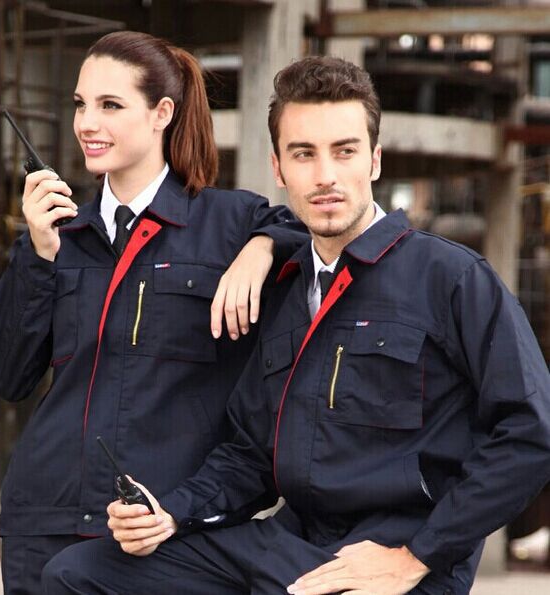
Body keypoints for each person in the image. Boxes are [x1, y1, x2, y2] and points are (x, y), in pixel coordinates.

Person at [41, 55, 550, 595]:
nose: (325, 176)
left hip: (393, 556)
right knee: (79, 575)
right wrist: (170, 513)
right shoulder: (285, 289)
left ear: (374, 160)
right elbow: (251, 457)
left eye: (344, 151)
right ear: (279, 168)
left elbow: (532, 432)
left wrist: (419, 554)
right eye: (303, 154)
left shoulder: (450, 277)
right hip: (290, 544)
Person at [0, 31, 305, 594]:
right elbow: (5, 374)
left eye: (110, 105)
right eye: (80, 104)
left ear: (162, 114)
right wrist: (39, 255)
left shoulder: (233, 224)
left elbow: (313, 238)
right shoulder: (58, 235)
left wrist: (263, 247)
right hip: (46, 519)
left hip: (161, 527)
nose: (87, 123)